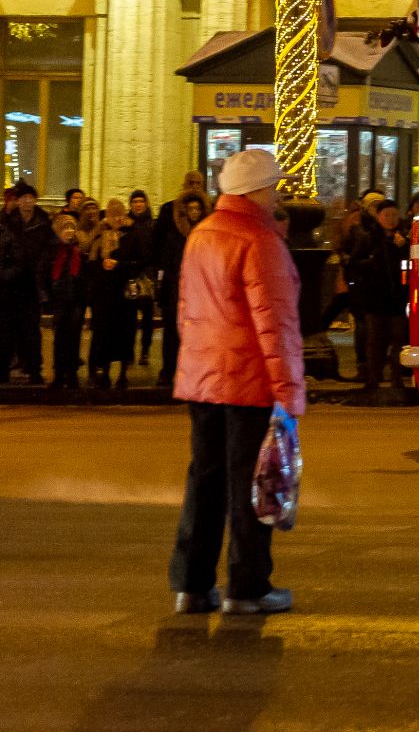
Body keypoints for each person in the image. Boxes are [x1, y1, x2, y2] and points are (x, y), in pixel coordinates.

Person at [169, 148, 305, 616]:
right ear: (260, 190)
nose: (277, 195)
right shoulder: (259, 240)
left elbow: (186, 311)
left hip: (202, 379)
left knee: (204, 481)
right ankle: (247, 588)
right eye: (275, 186)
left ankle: (191, 585)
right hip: (248, 382)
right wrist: (289, 395)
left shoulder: (203, 234)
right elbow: (276, 325)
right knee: (253, 485)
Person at [153, 189, 208, 388]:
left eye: (197, 208)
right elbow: (166, 264)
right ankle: (168, 371)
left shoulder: (206, 233)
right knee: (171, 334)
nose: (194, 212)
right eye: (191, 208)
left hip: (200, 292)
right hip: (175, 290)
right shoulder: (174, 235)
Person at [354, 200, 410, 391]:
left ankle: (396, 378)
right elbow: (355, 264)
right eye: (387, 215)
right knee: (375, 341)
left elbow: (409, 267)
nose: (391, 219)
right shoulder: (369, 239)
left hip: (397, 298)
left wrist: (404, 248)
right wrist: (372, 262)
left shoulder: (403, 238)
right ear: (378, 217)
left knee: (398, 340)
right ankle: (373, 379)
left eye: (394, 215)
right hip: (375, 298)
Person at [0, 185, 52, 384]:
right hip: (9, 283)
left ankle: (34, 369)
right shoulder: (7, 221)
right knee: (5, 328)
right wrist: (6, 272)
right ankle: (2, 369)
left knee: (31, 329)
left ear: (35, 201)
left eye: (31, 198)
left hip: (32, 284)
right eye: (24, 198)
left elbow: (49, 249)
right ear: (18, 201)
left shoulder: (43, 221)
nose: (27, 201)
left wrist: (40, 266)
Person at [86, 199, 136, 391]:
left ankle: (123, 374)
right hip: (104, 294)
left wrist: (119, 265)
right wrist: (101, 266)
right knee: (104, 335)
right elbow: (91, 261)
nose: (116, 218)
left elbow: (139, 261)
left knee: (124, 335)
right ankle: (104, 373)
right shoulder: (99, 232)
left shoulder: (131, 234)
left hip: (123, 294)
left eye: (119, 214)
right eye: (112, 214)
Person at [46, 215, 88, 391]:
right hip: (59, 301)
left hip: (77, 300)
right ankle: (59, 374)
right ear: (58, 231)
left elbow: (86, 276)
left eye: (72, 228)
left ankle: (72, 374)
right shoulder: (53, 250)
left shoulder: (80, 251)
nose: (69, 231)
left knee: (73, 338)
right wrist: (47, 297)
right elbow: (44, 273)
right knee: (60, 339)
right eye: (65, 228)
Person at [121, 191, 159, 366]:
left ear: (146, 203)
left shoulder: (152, 224)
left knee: (147, 317)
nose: (138, 204)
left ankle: (144, 351)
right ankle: (128, 352)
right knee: (128, 317)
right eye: (134, 201)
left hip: (147, 274)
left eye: (141, 201)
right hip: (130, 274)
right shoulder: (125, 224)